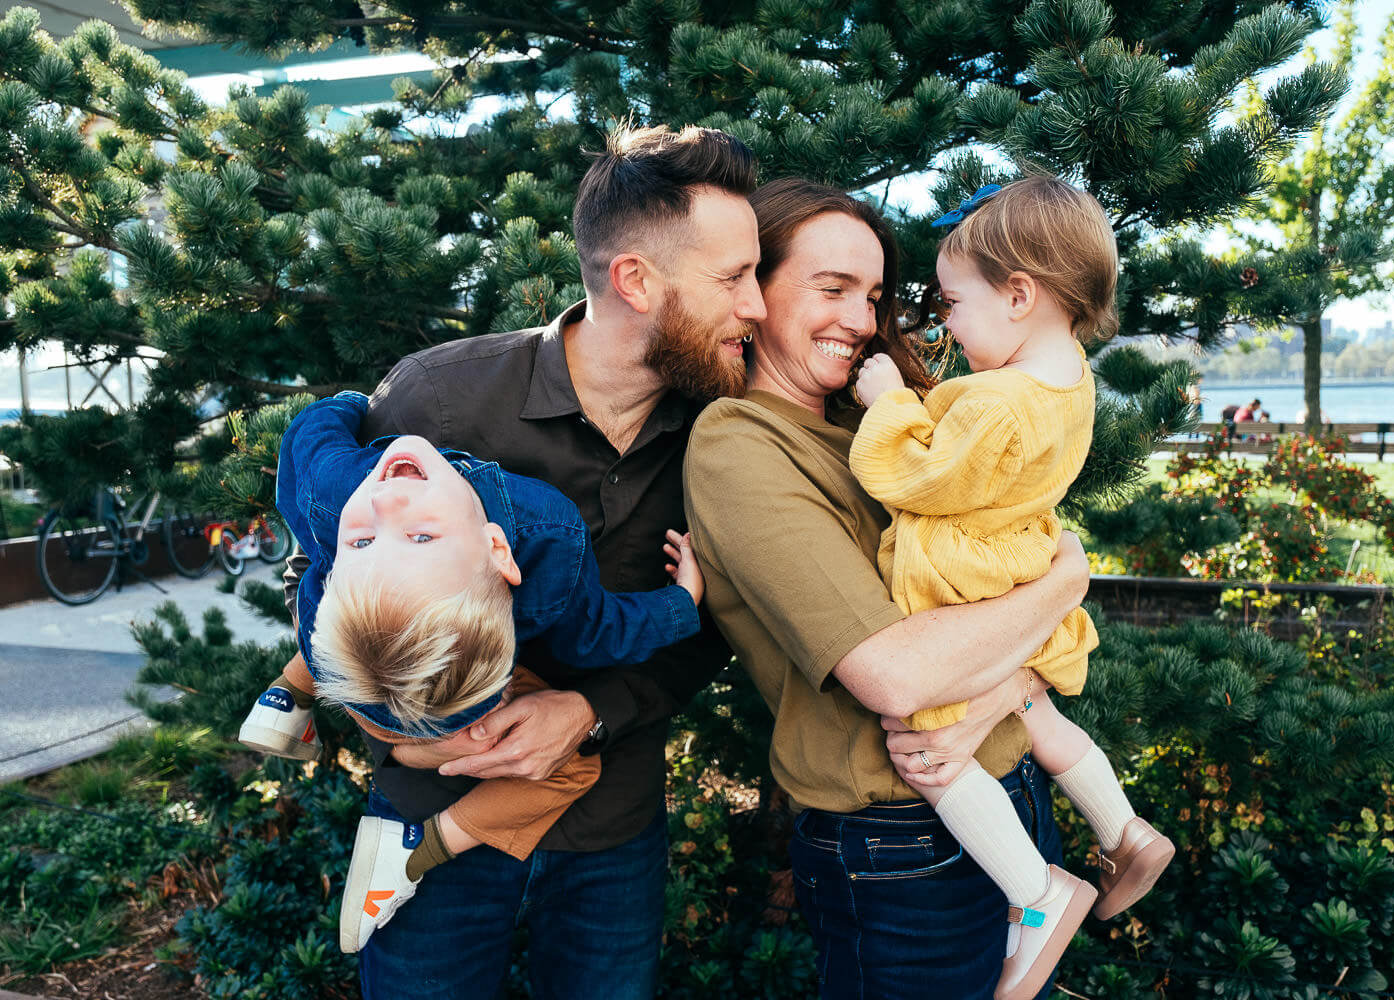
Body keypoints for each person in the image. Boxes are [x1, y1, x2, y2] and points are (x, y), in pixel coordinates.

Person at [277, 123, 764, 999]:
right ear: (636, 281)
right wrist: (407, 727)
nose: (757, 306)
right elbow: (324, 569)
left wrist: (590, 710)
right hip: (427, 824)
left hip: (612, 828)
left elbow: (714, 622)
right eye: (733, 279)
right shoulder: (441, 398)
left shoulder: (721, 435)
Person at [683, 177, 1092, 1000]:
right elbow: (896, 675)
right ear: (753, 292)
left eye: (871, 296)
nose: (862, 321)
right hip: (902, 840)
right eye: (830, 289)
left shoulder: (874, 433)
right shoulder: (741, 444)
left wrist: (999, 688)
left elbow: (994, 579)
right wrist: (1068, 580)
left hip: (1003, 797)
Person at [848, 177, 1174, 999]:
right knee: (1038, 712)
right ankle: (1122, 826)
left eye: (954, 302)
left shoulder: (996, 399)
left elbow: (917, 478)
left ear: (1020, 294)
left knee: (928, 746)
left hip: (966, 579)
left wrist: (887, 401)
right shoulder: (1070, 384)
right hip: (1024, 560)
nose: (946, 323)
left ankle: (1037, 896)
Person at [238, 391, 704, 953]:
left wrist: (343, 403)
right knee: (571, 770)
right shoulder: (545, 535)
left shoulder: (339, 492)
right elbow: (598, 630)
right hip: (414, 692)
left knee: (358, 619)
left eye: (415, 538)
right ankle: (418, 848)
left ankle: (288, 696)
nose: (387, 505)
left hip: (358, 664)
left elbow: (305, 438)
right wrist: (683, 602)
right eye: (413, 537)